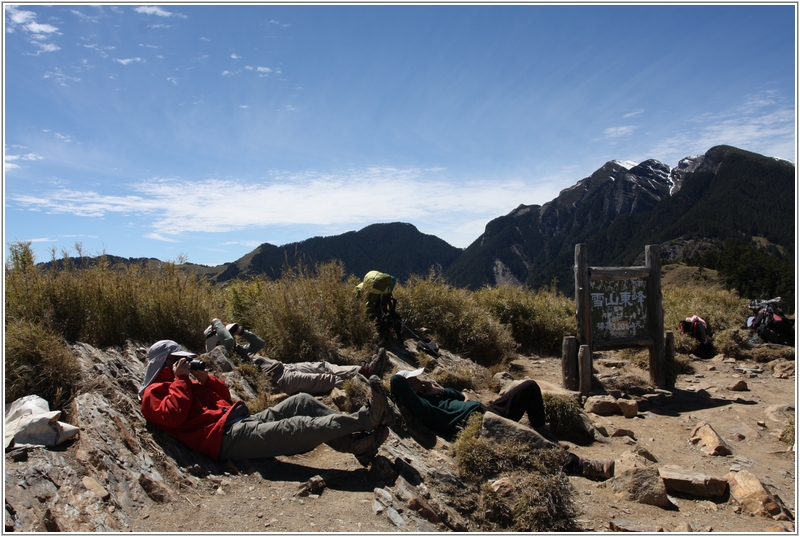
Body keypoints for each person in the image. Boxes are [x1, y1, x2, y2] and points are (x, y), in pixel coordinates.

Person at [140, 340, 392, 465]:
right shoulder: (154, 393)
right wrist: (181, 380)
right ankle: (366, 418)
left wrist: (205, 380)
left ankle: (356, 445)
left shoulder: (183, 382)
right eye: (177, 359)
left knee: (302, 402)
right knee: (296, 426)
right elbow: (173, 415)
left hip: (238, 421)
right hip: (223, 438)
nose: (182, 363)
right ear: (165, 362)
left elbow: (224, 398)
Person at [389, 368, 614, 479]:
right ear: (409, 388)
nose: (420, 380)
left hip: (488, 411)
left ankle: (544, 432)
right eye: (415, 379)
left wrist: (437, 390)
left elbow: (458, 396)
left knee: (530, 387)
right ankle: (582, 465)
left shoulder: (431, 396)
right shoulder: (422, 408)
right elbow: (396, 381)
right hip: (479, 427)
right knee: (529, 444)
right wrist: (413, 387)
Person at [252, 348, 388, 397]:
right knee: (326, 379)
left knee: (325, 366)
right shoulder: (234, 354)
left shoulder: (242, 348)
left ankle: (365, 371)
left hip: (284, 367)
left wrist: (239, 331)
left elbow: (258, 342)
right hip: (279, 379)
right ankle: (361, 387)